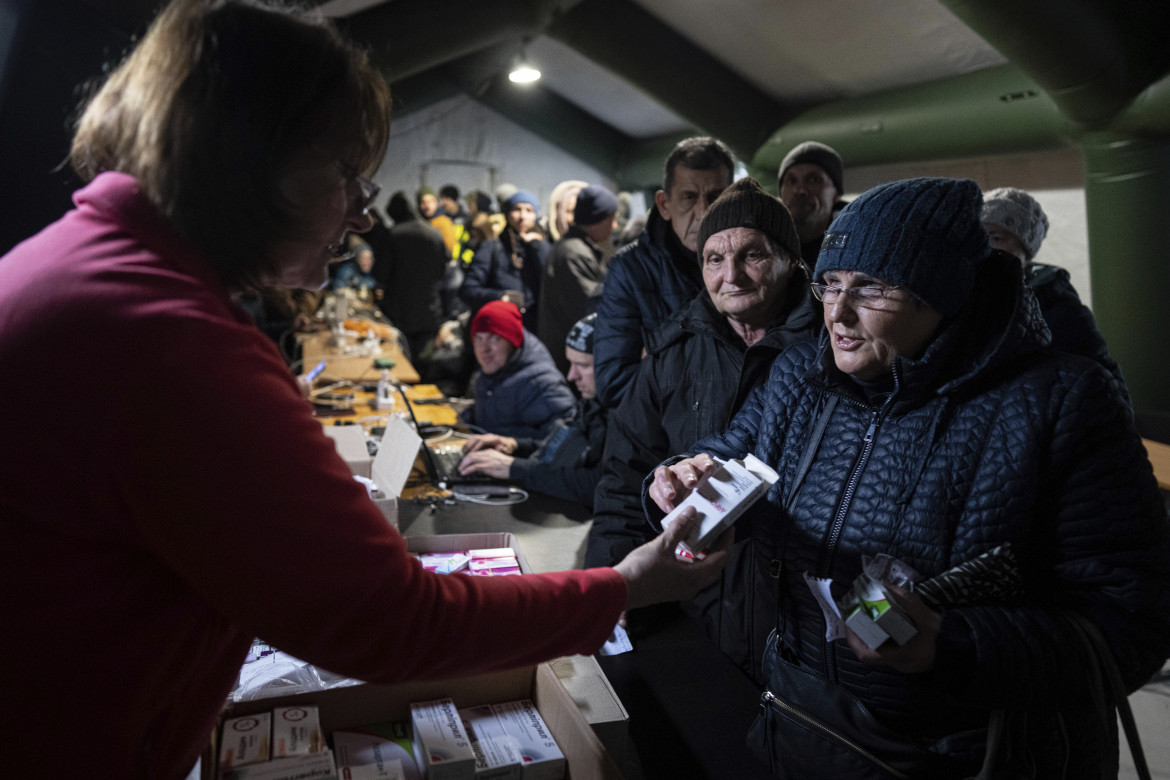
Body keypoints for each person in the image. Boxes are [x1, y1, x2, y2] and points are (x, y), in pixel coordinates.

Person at [0, 3, 729, 776]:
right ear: (252, 155)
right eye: (345, 173)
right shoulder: (169, 338)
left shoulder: (86, 268)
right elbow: (395, 620)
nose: (362, 209)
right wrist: (621, 587)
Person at [649, 178, 1170, 777]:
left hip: (961, 754)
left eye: (871, 288)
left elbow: (1131, 624)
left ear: (942, 294)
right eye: (831, 285)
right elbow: (727, 455)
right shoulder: (801, 376)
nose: (837, 315)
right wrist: (676, 478)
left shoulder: (1059, 403)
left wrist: (955, 645)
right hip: (803, 722)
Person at [586, 179, 821, 679]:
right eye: (714, 259)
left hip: (799, 626)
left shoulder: (830, 353)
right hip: (691, 615)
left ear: (789, 261)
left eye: (751, 255)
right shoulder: (673, 354)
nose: (730, 275)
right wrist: (610, 584)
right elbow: (622, 477)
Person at [594, 136, 735, 408]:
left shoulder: (754, 266)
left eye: (716, 197)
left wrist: (657, 359)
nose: (704, 211)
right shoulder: (630, 270)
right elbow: (614, 384)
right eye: (689, 197)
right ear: (664, 205)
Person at [982, 185, 1130, 406]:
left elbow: (1107, 385)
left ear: (1026, 251)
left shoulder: (1058, 308)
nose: (984, 249)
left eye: (996, 238)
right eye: (977, 238)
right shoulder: (964, 302)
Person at [459, 313, 608, 507]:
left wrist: (515, 468)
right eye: (478, 338)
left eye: (583, 365)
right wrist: (515, 445)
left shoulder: (626, 415)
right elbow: (564, 449)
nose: (571, 376)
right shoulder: (593, 400)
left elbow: (598, 485)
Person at [460, 300, 576, 440]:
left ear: (513, 341)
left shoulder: (541, 382)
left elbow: (565, 439)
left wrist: (513, 445)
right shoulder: (494, 369)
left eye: (495, 338)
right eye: (479, 338)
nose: (484, 349)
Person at [537, 183, 618, 373]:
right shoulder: (575, 253)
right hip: (569, 360)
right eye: (611, 219)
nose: (614, 226)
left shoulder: (574, 247)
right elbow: (592, 308)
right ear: (597, 219)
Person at [459, 189, 550, 332]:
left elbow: (551, 282)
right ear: (507, 214)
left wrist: (537, 247)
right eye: (517, 209)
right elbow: (468, 290)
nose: (522, 216)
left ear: (535, 215)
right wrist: (500, 297)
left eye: (529, 210)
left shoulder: (543, 247)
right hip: (498, 328)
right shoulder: (492, 248)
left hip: (533, 331)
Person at [382, 191, 448, 363]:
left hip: (400, 309)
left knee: (400, 360)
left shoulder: (394, 234)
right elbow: (443, 271)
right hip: (429, 308)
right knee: (424, 362)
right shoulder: (434, 233)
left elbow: (383, 273)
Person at [777, 140, 848, 262]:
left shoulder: (855, 245)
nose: (799, 190)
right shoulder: (765, 243)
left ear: (836, 193)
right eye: (791, 181)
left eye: (813, 180)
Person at [417, 185, 458, 254]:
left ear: (436, 203)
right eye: (423, 202)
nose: (427, 206)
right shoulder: (416, 223)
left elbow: (449, 247)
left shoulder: (443, 222)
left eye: (430, 201)